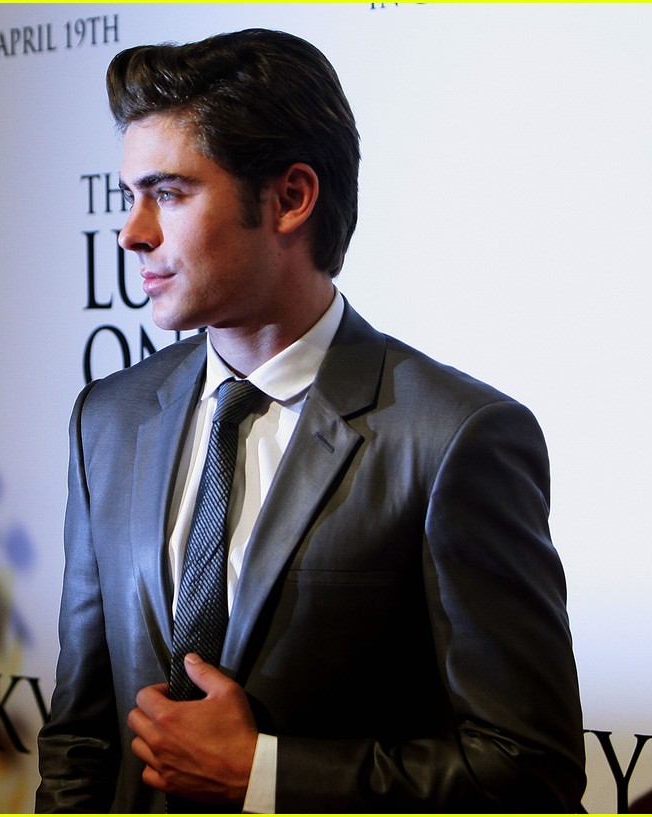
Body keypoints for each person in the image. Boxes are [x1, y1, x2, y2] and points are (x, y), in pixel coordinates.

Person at [36, 28, 585, 812]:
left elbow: (531, 771)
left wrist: (264, 774)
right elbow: (81, 739)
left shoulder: (453, 438)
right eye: (131, 195)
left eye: (170, 193)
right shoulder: (108, 421)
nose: (132, 232)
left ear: (291, 198)